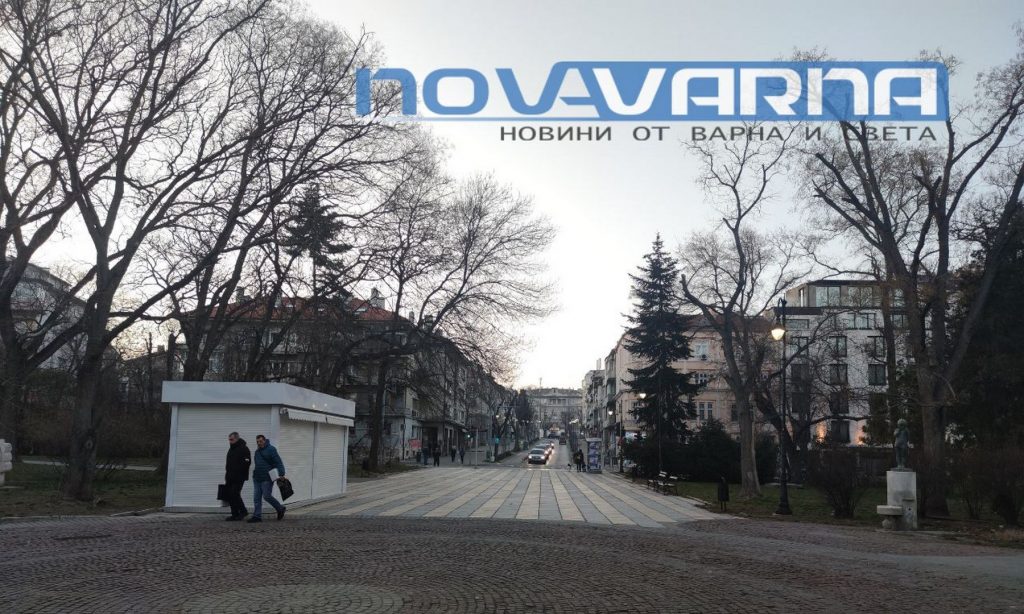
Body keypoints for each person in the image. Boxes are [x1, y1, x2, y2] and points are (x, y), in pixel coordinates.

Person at [249, 434, 286, 523]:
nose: (259, 443)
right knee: (256, 498)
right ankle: (257, 516)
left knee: (266, 496)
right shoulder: (257, 452)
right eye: (257, 442)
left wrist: (281, 473)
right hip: (257, 477)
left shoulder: (271, 449)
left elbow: (278, 462)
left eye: (261, 441)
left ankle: (280, 508)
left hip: (267, 478)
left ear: (265, 441)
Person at [224, 432, 251, 521]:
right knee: (230, 495)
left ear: (237, 439)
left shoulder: (244, 448)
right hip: (230, 477)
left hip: (239, 477)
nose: (230, 441)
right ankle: (234, 514)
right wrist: (227, 475)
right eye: (229, 440)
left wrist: (238, 472)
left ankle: (243, 511)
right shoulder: (231, 449)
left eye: (231, 439)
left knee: (235, 494)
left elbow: (247, 462)